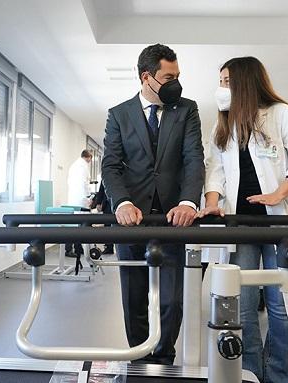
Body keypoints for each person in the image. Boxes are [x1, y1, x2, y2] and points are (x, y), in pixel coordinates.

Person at [199, 56, 288, 383]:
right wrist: (212, 202)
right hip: (241, 225)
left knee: (282, 308)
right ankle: (249, 373)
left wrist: (280, 192)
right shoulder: (223, 122)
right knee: (243, 308)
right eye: (220, 81)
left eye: (227, 81)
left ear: (245, 82)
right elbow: (216, 170)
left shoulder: (281, 114)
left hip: (280, 224)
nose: (222, 88)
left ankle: (281, 376)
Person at [102, 43, 204, 365]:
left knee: (172, 301)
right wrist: (121, 202)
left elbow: (193, 159)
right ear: (147, 77)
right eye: (168, 76)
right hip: (132, 218)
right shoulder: (119, 114)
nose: (176, 83)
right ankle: (139, 358)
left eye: (178, 76)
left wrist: (189, 201)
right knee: (134, 298)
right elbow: (111, 165)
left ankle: (163, 359)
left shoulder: (187, 110)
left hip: (174, 219)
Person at [65, 149, 93, 257]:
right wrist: (89, 196)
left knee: (76, 224)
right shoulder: (83, 166)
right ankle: (70, 249)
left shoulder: (74, 165)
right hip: (80, 199)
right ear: (89, 157)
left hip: (74, 198)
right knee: (79, 225)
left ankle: (77, 247)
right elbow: (84, 183)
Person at [91, 180, 114, 254]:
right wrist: (98, 202)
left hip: (119, 204)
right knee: (107, 226)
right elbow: (101, 189)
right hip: (107, 204)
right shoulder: (107, 173)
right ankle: (108, 247)